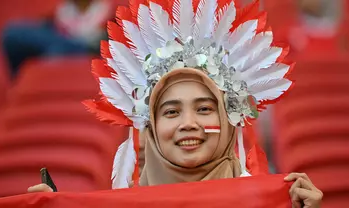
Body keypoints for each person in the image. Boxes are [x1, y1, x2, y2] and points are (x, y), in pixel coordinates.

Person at [27, 0, 323, 207]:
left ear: (227, 119)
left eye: (205, 109)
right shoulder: (121, 203)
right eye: (171, 112)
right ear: (152, 129)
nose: (188, 123)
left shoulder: (272, 202)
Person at [1, 0, 111, 79]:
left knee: (55, 51)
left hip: (86, 49)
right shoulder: (61, 11)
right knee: (14, 34)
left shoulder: (108, 13)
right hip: (59, 43)